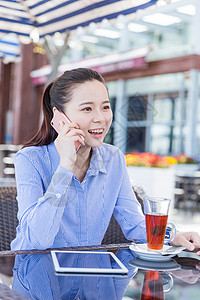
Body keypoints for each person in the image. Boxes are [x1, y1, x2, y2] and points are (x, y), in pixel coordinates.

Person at [11, 68, 200, 254]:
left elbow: (134, 224)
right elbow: (36, 241)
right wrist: (65, 166)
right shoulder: (30, 160)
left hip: (89, 275)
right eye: (87, 108)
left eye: (105, 107)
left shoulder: (113, 159)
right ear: (59, 117)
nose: (101, 118)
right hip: (35, 272)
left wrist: (173, 235)